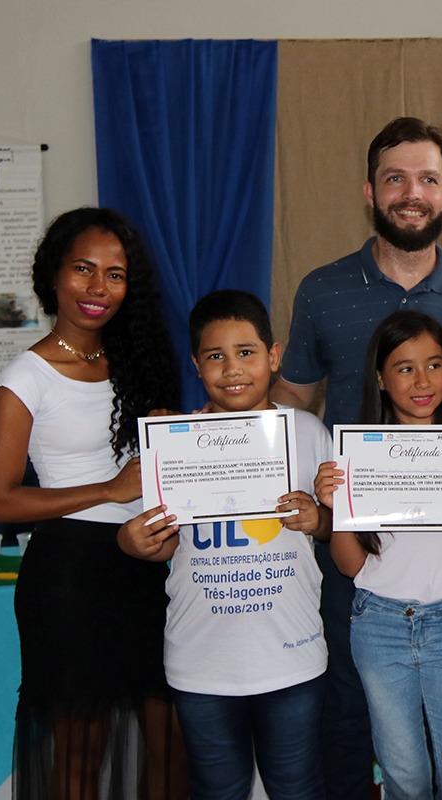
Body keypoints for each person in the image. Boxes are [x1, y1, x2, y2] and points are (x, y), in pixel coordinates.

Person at [274, 116, 442, 799]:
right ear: (370, 191)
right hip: (358, 548)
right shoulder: (322, 290)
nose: (413, 193)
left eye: (428, 180)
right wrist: (213, 436)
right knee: (354, 718)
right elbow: (289, 400)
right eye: (396, 179)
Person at [0, 207, 185, 799]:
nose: (99, 288)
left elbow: (154, 468)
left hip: (143, 567)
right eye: (84, 269)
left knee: (170, 737)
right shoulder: (26, 378)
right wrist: (109, 489)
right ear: (54, 275)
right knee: (82, 749)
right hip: (68, 577)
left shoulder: (137, 359)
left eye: (115, 275)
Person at [118, 289, 332, 800]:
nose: (232, 369)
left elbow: (333, 527)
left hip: (291, 654)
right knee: (218, 789)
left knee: (297, 787)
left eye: (246, 352)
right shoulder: (174, 441)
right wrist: (132, 541)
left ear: (274, 356)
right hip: (201, 659)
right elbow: (154, 539)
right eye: (215, 356)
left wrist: (316, 518)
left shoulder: (306, 431)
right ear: (196, 364)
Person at [314, 310, 442, 800]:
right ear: (379, 378)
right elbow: (349, 565)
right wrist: (336, 508)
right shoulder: (355, 456)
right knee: (406, 779)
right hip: (377, 626)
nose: (422, 381)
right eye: (404, 368)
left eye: (435, 365)